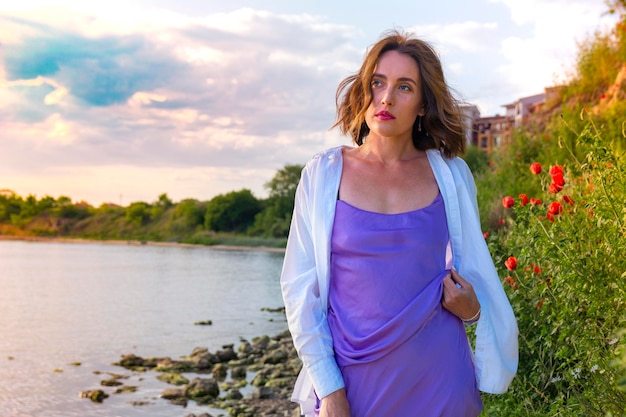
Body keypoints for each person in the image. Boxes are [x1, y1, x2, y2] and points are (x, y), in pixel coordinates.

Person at [280, 30, 518, 417]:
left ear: (423, 104)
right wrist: (330, 390)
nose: (386, 98)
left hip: (442, 380)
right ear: (364, 89)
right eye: (378, 82)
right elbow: (298, 290)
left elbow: (474, 266)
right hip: (352, 383)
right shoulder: (322, 174)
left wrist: (474, 312)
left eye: (404, 87)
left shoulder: (451, 175)